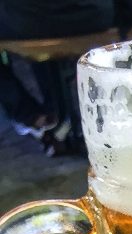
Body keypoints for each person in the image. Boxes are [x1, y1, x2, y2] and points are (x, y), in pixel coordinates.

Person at [0, 1, 115, 140]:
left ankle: (32, 115)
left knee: (33, 17)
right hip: (99, 13)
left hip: (33, 20)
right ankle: (53, 113)